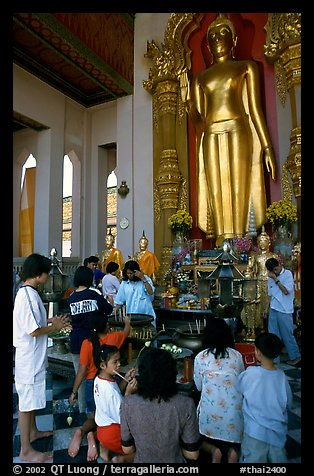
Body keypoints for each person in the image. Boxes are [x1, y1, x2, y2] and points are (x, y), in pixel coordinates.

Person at [180, 13, 276, 245]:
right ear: (208, 45)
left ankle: (242, 241)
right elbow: (200, 124)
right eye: (212, 35)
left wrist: (266, 146)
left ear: (234, 40)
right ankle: (221, 242)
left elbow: (255, 110)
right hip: (211, 133)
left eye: (223, 33)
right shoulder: (201, 78)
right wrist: (190, 106)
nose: (217, 38)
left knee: (238, 189)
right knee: (216, 190)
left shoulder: (245, 67)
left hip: (238, 128)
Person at [13, 253, 71, 463]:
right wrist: (53, 326)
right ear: (39, 274)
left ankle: (34, 431)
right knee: (26, 404)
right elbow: (33, 330)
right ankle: (25, 450)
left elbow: (36, 321)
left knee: (32, 399)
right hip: (28, 360)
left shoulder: (31, 293)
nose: (49, 275)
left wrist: (50, 320)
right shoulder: (26, 295)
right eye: (48, 272)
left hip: (34, 358)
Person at [118, 347, 200, 463]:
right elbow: (193, 454)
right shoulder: (186, 404)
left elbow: (127, 449)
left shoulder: (128, 403)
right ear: (172, 374)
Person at [67, 311, 131, 460]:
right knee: (106, 417)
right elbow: (126, 332)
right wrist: (127, 322)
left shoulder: (87, 343)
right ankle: (92, 437)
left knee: (97, 417)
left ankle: (83, 431)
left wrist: (74, 391)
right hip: (108, 382)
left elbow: (82, 370)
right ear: (107, 326)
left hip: (92, 384)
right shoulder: (114, 338)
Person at [193, 317, 244, 463]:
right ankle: (233, 452)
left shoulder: (200, 357)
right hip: (234, 417)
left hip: (209, 419)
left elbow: (198, 387)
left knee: (198, 435)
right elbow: (240, 383)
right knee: (233, 441)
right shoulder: (237, 356)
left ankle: (214, 451)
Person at [237, 332, 293, 463]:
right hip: (277, 432)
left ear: (257, 352)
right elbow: (288, 403)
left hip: (254, 432)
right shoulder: (281, 376)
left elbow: (238, 389)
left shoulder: (250, 373)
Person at [67, 266, 113, 412]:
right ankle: (98, 409)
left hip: (75, 340)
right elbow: (108, 310)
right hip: (92, 340)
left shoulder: (71, 297)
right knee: (96, 374)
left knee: (80, 375)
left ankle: (83, 409)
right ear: (89, 278)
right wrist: (110, 301)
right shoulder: (94, 293)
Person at [93, 344, 137, 462]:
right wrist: (128, 392)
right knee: (140, 451)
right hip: (114, 434)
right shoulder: (110, 392)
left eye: (119, 361)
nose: (119, 364)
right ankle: (120, 460)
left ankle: (103, 451)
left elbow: (116, 390)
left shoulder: (99, 379)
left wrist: (125, 379)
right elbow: (124, 414)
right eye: (115, 362)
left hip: (101, 430)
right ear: (103, 365)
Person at [265, 257, 301, 366]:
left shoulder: (288, 274)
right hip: (274, 308)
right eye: (272, 271)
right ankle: (274, 359)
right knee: (273, 335)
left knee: (287, 334)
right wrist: (266, 309)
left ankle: (295, 356)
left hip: (285, 309)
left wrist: (276, 279)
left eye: (275, 269)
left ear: (279, 265)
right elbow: (269, 294)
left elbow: (286, 291)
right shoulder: (270, 276)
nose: (274, 272)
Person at [114, 260, 156, 326]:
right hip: (132, 317)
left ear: (136, 272)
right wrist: (115, 312)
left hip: (147, 315)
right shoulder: (124, 283)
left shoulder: (146, 279)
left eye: (131, 273)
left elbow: (150, 292)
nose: (129, 275)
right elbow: (119, 301)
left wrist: (143, 278)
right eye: (128, 273)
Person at [255, 227, 278, 331]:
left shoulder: (274, 256)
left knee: (270, 302)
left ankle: (271, 326)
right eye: (260, 241)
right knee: (259, 304)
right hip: (259, 281)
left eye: (265, 241)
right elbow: (252, 270)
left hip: (271, 281)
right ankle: (259, 326)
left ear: (269, 243)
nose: (262, 243)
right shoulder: (255, 257)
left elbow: (277, 270)